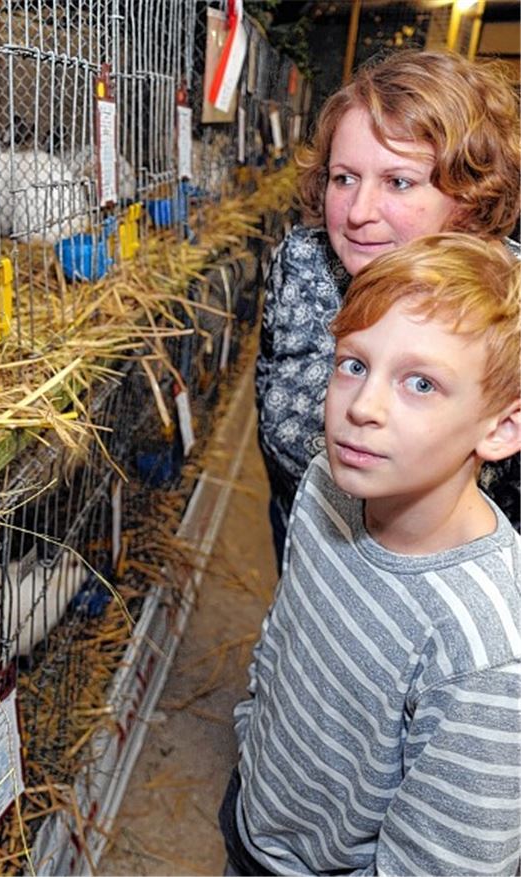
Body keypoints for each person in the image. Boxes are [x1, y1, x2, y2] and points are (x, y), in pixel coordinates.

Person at [221, 233, 521, 876]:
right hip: (252, 821)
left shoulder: (485, 647)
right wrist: (252, 747)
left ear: (501, 429)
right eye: (353, 364)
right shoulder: (326, 487)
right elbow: (286, 635)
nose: (362, 408)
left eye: (420, 383)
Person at [255, 49, 521, 569]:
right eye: (344, 178)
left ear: (468, 195)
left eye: (398, 182)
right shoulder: (304, 262)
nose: (358, 213)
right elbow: (269, 398)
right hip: (307, 547)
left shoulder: (508, 305)